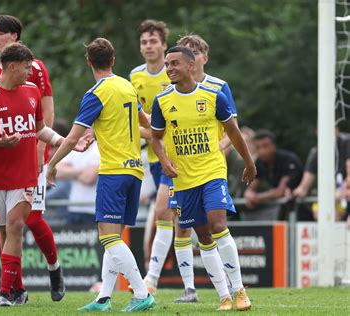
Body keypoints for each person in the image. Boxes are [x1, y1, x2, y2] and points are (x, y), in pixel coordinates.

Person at [0, 42, 90, 306]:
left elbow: (40, 129)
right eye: (26, 68)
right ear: (12, 66)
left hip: (25, 174)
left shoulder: (32, 91)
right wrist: (0, 142)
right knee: (3, 232)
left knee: (16, 226)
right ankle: (17, 291)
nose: (29, 72)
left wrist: (63, 141)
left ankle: (3, 293)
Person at [47, 38, 156, 312]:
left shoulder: (96, 93)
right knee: (114, 236)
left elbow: (71, 139)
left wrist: (52, 165)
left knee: (108, 237)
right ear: (114, 60)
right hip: (135, 170)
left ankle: (142, 293)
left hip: (113, 171)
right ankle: (103, 298)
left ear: (88, 63)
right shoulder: (127, 86)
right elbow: (147, 126)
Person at [151, 46, 256, 311]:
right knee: (203, 237)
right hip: (183, 180)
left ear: (190, 65)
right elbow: (155, 138)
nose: (169, 68)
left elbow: (233, 132)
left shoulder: (213, 96)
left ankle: (240, 290)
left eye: (174, 63)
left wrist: (249, 161)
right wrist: (164, 161)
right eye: (167, 64)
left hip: (211, 172)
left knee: (217, 224)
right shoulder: (162, 101)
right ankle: (223, 295)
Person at [0, 15, 65, 301]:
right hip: (3, 166)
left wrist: (43, 154)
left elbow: (45, 114)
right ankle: (14, 289)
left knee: (30, 219)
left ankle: (54, 269)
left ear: (15, 36)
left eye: (1, 32)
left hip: (31, 158)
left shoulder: (35, 69)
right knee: (6, 226)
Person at [128, 19, 176, 298]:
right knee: (163, 215)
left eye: (153, 41)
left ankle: (154, 278)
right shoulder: (135, 76)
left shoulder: (174, 73)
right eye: (144, 42)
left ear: (163, 45)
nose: (148, 46)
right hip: (151, 157)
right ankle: (152, 278)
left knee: (169, 216)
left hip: (175, 154)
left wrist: (149, 133)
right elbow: (136, 118)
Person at [244, 129, 303, 221]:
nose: (262, 151)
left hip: (301, 205)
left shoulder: (287, 160)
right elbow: (251, 186)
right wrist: (248, 194)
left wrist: (257, 197)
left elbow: (280, 191)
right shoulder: (259, 162)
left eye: (265, 146)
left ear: (274, 145)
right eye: (258, 147)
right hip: (284, 207)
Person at [56, 129, 100, 225]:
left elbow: (89, 179)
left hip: (92, 210)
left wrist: (70, 171)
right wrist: (81, 171)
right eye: (81, 127)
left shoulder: (99, 149)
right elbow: (57, 171)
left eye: (87, 127)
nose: (83, 130)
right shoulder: (74, 149)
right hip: (73, 209)